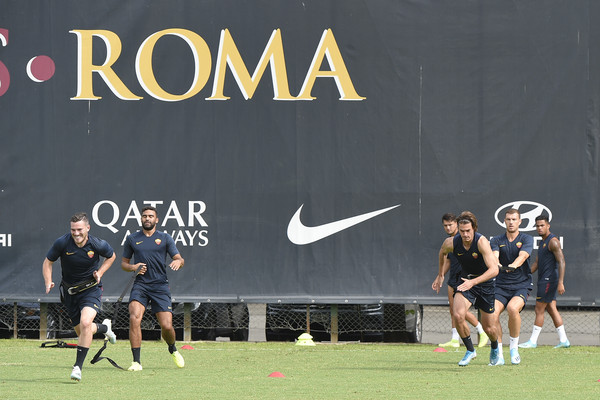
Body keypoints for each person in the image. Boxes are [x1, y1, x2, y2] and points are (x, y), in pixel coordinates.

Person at [42, 212, 117, 382]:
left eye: (80, 230)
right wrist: (48, 281)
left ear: (88, 228)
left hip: (91, 290)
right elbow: (48, 262)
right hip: (70, 293)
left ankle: (78, 367)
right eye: (73, 230)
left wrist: (100, 273)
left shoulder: (97, 244)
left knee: (85, 323)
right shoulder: (62, 242)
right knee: (83, 331)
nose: (76, 233)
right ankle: (105, 328)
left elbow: (111, 256)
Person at [121, 206, 185, 371]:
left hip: (160, 286)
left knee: (167, 326)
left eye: (150, 216)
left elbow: (179, 258)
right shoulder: (132, 238)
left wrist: (178, 261)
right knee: (134, 318)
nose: (147, 218)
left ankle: (172, 348)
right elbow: (124, 264)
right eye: (144, 216)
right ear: (141, 219)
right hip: (140, 285)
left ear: (156, 220)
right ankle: (136, 362)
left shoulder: (165, 238)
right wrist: (133, 267)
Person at [438, 211, 501, 366]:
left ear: (474, 229)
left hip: (485, 283)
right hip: (466, 282)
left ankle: (494, 346)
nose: (465, 234)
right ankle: (470, 350)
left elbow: (494, 270)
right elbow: (442, 253)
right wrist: (440, 274)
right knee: (458, 314)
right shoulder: (451, 242)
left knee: (489, 328)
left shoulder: (481, 242)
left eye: (468, 231)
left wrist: (474, 282)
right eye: (462, 231)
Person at [432, 213, 489, 348]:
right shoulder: (450, 242)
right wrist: (440, 275)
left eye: (450, 225)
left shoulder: (468, 239)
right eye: (445, 225)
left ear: (457, 225)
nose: (448, 228)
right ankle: (455, 339)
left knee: (460, 311)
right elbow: (446, 258)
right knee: (454, 310)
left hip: (466, 278)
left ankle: (482, 331)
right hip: (454, 278)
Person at [489, 208, 534, 365]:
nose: (511, 222)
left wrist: (513, 265)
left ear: (520, 221)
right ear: (504, 221)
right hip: (500, 286)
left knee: (513, 309)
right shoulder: (496, 240)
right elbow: (494, 255)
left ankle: (514, 349)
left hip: (521, 285)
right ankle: (499, 354)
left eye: (514, 219)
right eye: (508, 219)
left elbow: (523, 256)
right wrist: (498, 264)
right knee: (493, 314)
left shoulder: (527, 239)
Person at [520, 215, 570, 349]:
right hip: (544, 280)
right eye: (537, 226)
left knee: (539, 309)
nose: (539, 228)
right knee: (551, 308)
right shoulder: (542, 242)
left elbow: (562, 262)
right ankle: (564, 340)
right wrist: (523, 274)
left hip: (549, 280)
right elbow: (536, 263)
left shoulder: (553, 242)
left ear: (548, 226)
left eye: (542, 225)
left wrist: (561, 282)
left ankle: (533, 341)